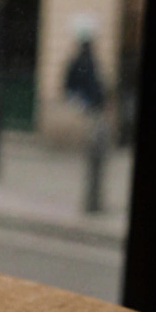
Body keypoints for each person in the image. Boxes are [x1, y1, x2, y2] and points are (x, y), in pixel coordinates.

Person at [64, 37, 107, 213]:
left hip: (88, 102)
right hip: (91, 103)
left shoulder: (81, 61)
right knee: (94, 138)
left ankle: (88, 149)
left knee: (94, 138)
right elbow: (91, 83)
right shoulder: (87, 61)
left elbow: (71, 83)